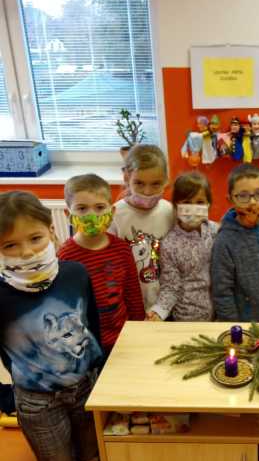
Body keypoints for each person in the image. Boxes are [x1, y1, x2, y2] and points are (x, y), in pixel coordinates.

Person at [0, 191, 110, 461]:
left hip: (85, 388)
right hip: (37, 402)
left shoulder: (75, 273)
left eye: (34, 238)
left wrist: (99, 369)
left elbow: (91, 322)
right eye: (10, 245)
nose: (26, 252)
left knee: (92, 460)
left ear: (51, 230)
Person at [59, 174, 145, 357]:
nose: (91, 215)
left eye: (99, 207)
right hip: (88, 344)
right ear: (68, 214)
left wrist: (138, 328)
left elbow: (132, 294)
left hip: (124, 336)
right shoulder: (66, 256)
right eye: (82, 208)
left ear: (112, 212)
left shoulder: (121, 249)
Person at [211, 163, 259, 321]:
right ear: (230, 200)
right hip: (244, 325)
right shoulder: (224, 241)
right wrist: (233, 325)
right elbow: (222, 290)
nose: (252, 202)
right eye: (243, 196)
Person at [110, 144, 174, 312]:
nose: (147, 192)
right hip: (129, 304)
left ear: (166, 180)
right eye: (139, 183)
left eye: (156, 184)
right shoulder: (115, 215)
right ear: (126, 178)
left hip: (165, 305)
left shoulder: (169, 211)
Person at [147, 171, 218, 321]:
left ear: (208, 204)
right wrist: (159, 311)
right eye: (186, 202)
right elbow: (171, 286)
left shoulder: (215, 232)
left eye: (199, 202)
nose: (193, 208)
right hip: (185, 318)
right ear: (175, 205)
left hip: (217, 317)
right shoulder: (169, 244)